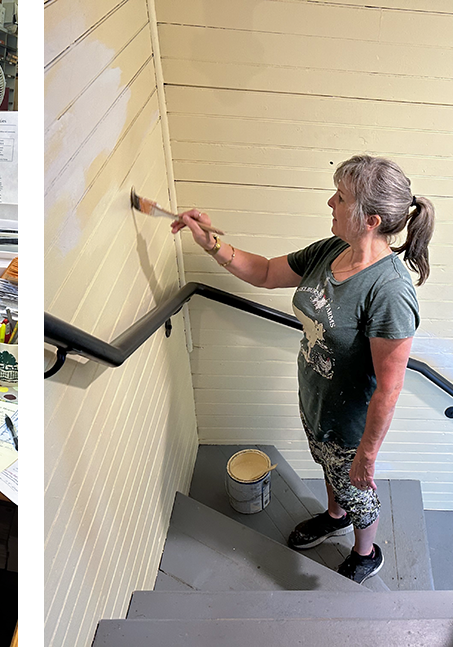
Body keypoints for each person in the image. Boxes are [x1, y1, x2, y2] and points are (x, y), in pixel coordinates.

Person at [172, 155, 435, 584]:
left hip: (350, 425)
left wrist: (366, 455)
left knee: (357, 489)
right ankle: (334, 516)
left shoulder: (389, 290)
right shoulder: (332, 250)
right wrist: (211, 243)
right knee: (326, 467)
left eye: (341, 197)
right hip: (315, 397)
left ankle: (366, 552)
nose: (330, 202)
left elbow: (389, 389)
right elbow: (266, 272)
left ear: (369, 219)